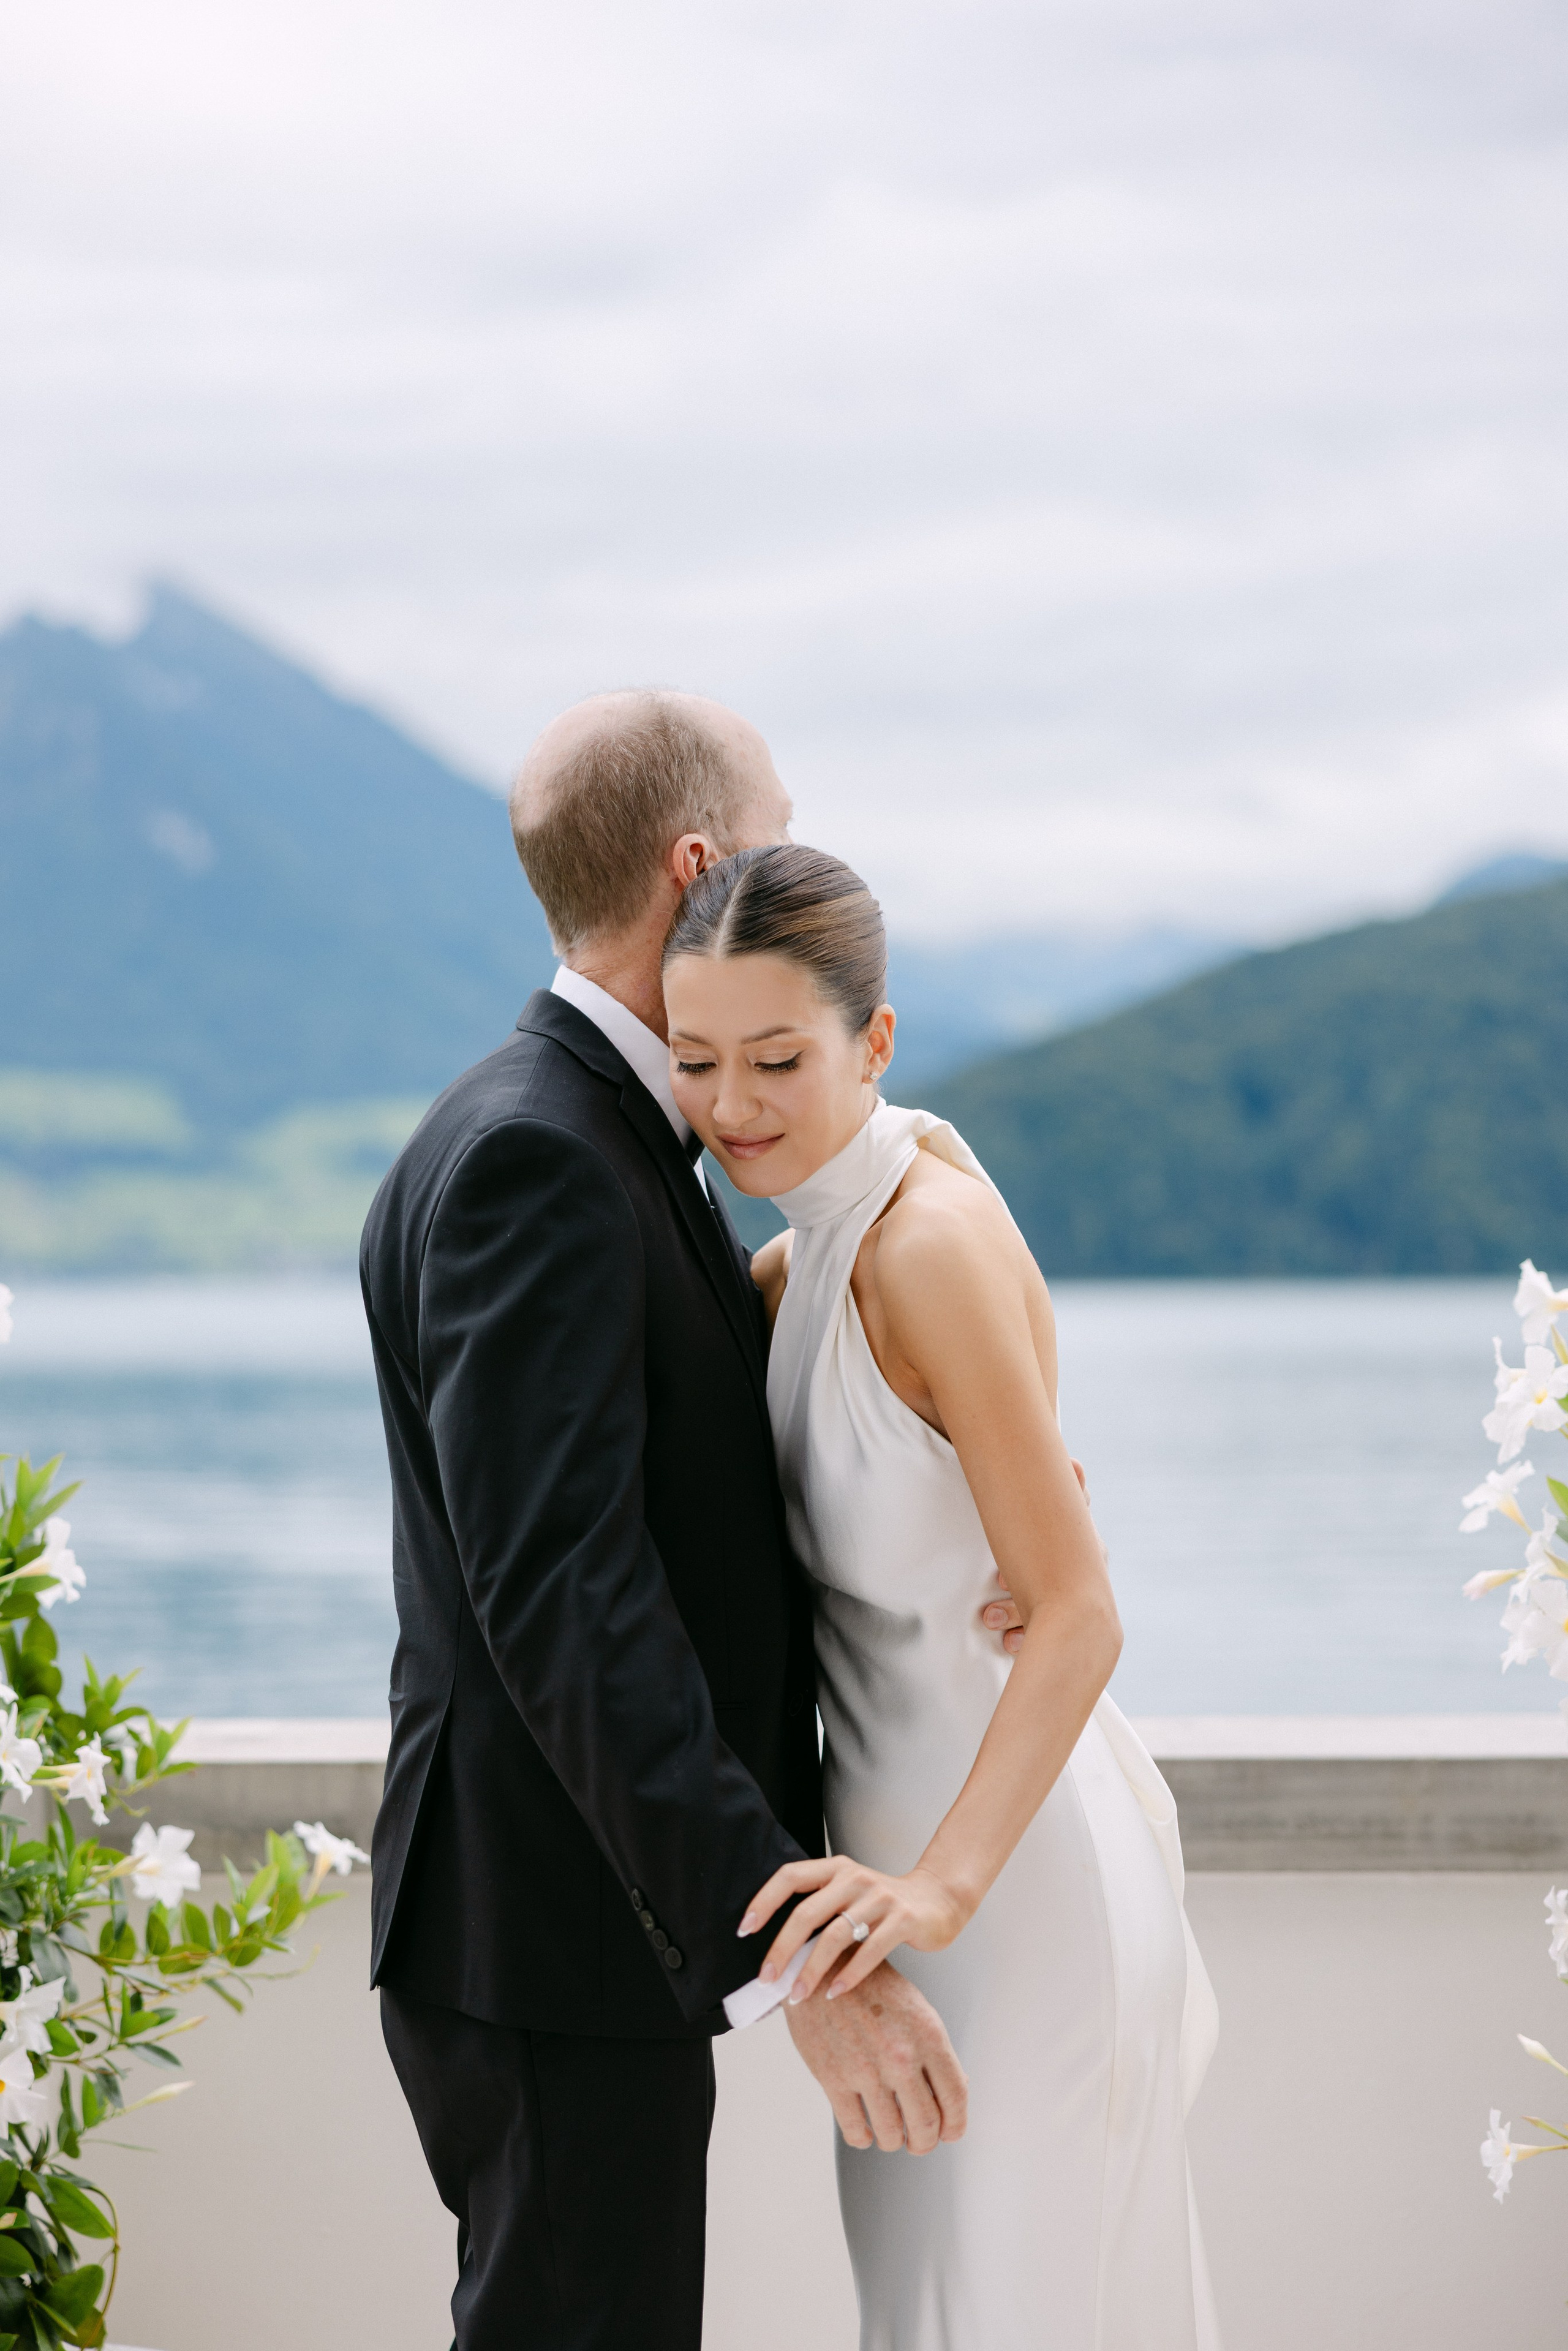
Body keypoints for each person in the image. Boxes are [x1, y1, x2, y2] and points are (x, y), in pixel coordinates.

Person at [360, 691, 1016, 2351]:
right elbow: (565, 1596)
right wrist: (794, 1951)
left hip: (570, 1924)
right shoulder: (542, 1155)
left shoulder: (576, 1126)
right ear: (701, 863)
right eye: (780, 825)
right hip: (554, 1933)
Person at [663, 842, 1223, 2351]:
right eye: (697, 1059)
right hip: (889, 1889)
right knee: (918, 2316)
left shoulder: (929, 1241)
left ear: (876, 1041)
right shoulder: (784, 1275)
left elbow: (1078, 1610)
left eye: (778, 1057)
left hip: (1010, 1883)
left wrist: (939, 1889)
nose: (733, 1103)